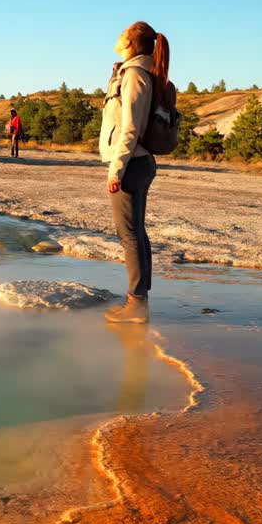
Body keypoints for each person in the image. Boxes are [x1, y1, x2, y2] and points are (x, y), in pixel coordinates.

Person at [99, 21, 171, 324]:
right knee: (135, 232)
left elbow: (130, 127)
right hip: (137, 162)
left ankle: (136, 304)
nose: (117, 34)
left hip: (131, 163)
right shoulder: (132, 74)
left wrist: (116, 169)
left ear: (132, 41)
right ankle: (138, 297)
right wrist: (114, 78)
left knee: (129, 234)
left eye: (123, 32)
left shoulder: (136, 76)